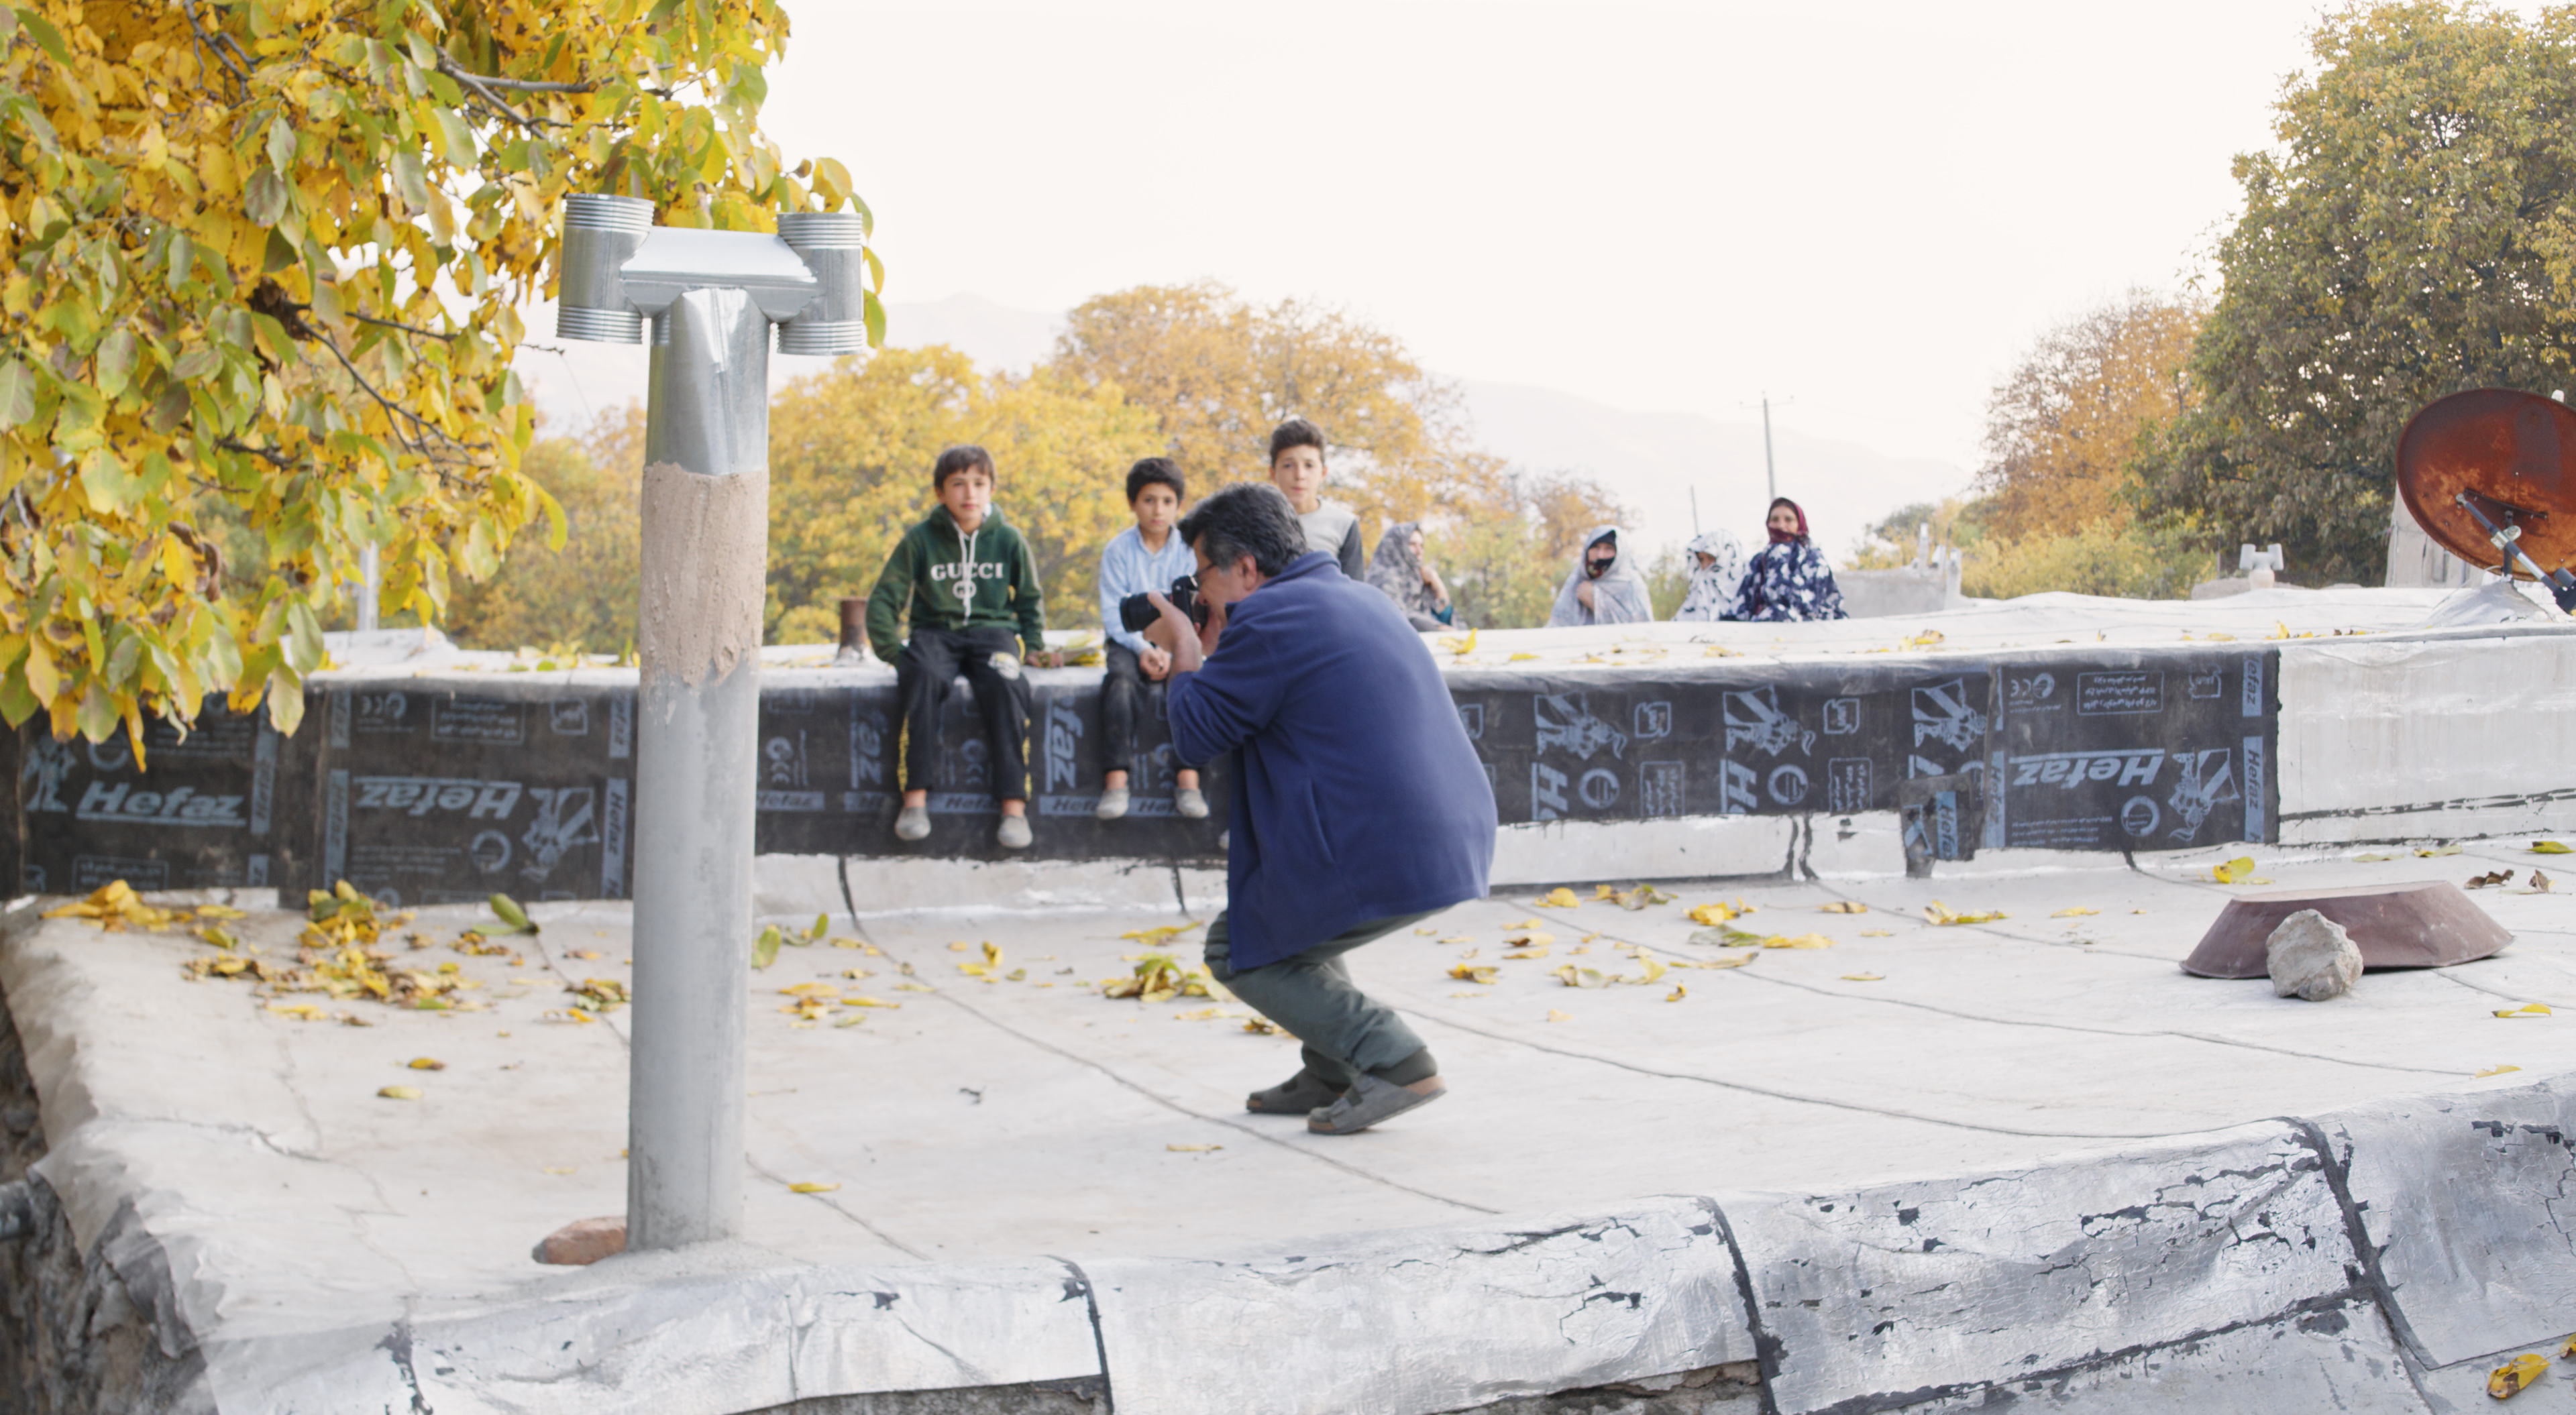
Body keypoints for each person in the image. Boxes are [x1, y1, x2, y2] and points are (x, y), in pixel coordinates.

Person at [1142, 483, 1496, 1136]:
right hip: (1447, 834)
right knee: (1287, 923)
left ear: (1246, 568)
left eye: (1203, 577)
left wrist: (1185, 647)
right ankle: (1334, 1067)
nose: (1201, 593)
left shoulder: (1269, 619)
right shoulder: (1354, 597)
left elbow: (1196, 735)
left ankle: (1393, 1058)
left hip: (1389, 845)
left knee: (1239, 948)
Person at [864, 445, 1056, 849]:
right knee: (922, 678)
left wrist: (1034, 644)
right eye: (958, 484)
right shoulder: (920, 539)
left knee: (1008, 685)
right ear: (940, 493)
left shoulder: (1008, 539)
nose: (970, 493)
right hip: (935, 633)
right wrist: (892, 652)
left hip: (993, 634)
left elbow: (1028, 598)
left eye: (979, 484)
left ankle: (1013, 807)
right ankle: (914, 799)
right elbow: (885, 598)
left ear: (992, 489)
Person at [1092, 457, 1208, 821]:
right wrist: (1144, 649)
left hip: (1180, 641)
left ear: (1178, 505)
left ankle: (1188, 778)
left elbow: (1195, 608)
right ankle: (1116, 780)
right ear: (1132, 503)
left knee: (1192, 685)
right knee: (1120, 683)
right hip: (1130, 641)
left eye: (1167, 501)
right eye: (1148, 500)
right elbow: (1113, 611)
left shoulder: (1190, 551)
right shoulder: (1117, 551)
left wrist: (1172, 653)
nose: (1158, 510)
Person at [1267, 418, 1366, 579]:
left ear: (1323, 473)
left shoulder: (1345, 524)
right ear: (1273, 473)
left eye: (1309, 465)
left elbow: (1355, 591)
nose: (1299, 476)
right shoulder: (1257, 522)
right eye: (1288, 465)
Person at [1727, 497, 1847, 622]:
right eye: (1775, 520)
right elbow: (1742, 608)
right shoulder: (1759, 561)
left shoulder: (1814, 559)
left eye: (1788, 520)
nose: (1781, 525)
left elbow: (1824, 606)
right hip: (1764, 633)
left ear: (1799, 524)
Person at [1546, 524, 1654, 626]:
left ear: (1619, 553)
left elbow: (1642, 631)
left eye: (1608, 549)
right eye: (1596, 548)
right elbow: (1557, 625)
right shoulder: (1576, 579)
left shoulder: (1631, 585)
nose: (1600, 555)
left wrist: (1597, 601)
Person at [1363, 520, 1458, 632]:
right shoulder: (1382, 578)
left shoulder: (1421, 577)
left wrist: (1437, 583)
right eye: (1412, 544)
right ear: (1396, 545)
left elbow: (1444, 617)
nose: (1420, 551)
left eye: (1421, 545)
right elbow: (1395, 618)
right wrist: (1436, 628)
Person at [1670, 528, 1748, 623]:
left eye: (1710, 558)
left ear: (1727, 557)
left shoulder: (1747, 594)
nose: (1705, 565)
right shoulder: (1698, 591)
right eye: (1701, 559)